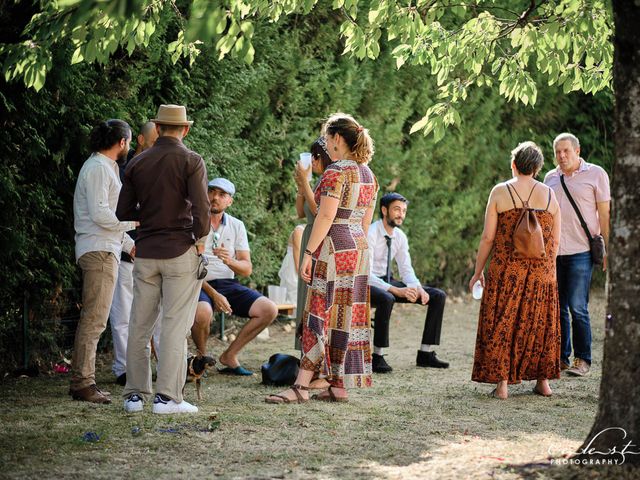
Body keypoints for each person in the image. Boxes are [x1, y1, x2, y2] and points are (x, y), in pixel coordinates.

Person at [266, 112, 378, 404]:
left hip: (333, 247)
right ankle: (338, 385)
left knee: (318, 312)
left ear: (338, 139)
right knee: (345, 316)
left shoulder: (336, 171)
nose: (326, 145)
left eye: (328, 139)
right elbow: (365, 222)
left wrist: (308, 252)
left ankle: (301, 386)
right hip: (359, 249)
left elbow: (325, 215)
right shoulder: (369, 174)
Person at [117, 104, 210, 414]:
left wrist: (150, 217)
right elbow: (202, 212)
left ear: (157, 129)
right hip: (180, 249)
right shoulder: (191, 160)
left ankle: (134, 396)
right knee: (173, 326)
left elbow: (123, 212)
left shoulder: (137, 162)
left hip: (145, 252)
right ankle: (167, 398)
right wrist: (197, 242)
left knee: (139, 325)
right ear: (185, 129)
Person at [469, 141, 561, 399]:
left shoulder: (500, 192)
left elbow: (488, 237)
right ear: (538, 168)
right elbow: (555, 240)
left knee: (503, 322)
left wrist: (478, 272)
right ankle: (543, 382)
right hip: (541, 270)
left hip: (506, 269)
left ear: (513, 164)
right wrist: (550, 271)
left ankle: (502, 385)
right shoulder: (551, 195)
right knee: (540, 323)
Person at [69, 119, 137, 404]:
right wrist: (135, 223)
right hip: (97, 252)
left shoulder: (106, 168)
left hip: (106, 247)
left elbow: (108, 219)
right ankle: (82, 383)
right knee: (95, 319)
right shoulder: (97, 168)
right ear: (121, 142)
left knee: (97, 319)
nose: (129, 146)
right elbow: (100, 215)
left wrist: (130, 244)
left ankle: (85, 381)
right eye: (129, 141)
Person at [192, 177, 278, 375]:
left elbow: (247, 268)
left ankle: (229, 356)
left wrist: (230, 261)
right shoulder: (194, 221)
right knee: (202, 313)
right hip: (198, 282)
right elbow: (187, 267)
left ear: (229, 201)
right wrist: (214, 295)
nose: (215, 197)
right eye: (211, 192)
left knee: (269, 309)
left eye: (222, 195)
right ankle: (201, 360)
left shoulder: (236, 225)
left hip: (227, 282)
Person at [544, 133, 610, 377]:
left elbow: (604, 214)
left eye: (566, 151)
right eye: (558, 152)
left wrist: (608, 250)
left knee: (578, 307)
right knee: (558, 307)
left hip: (581, 252)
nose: (562, 156)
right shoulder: (550, 178)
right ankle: (561, 358)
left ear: (577, 150)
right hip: (554, 254)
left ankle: (583, 359)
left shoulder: (596, 174)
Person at [368, 192, 449, 373]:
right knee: (387, 297)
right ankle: (377, 357)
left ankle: (425, 354)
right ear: (384, 210)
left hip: (387, 280)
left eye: (404, 211)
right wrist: (398, 291)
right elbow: (365, 273)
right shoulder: (371, 233)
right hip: (367, 283)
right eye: (397, 209)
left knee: (437, 296)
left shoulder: (400, 237)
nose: (401, 214)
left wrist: (418, 288)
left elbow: (406, 269)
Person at [109, 121, 158, 386]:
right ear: (140, 139)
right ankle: (122, 368)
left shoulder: (156, 167)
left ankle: (157, 366)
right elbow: (113, 212)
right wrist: (127, 243)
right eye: (154, 137)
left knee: (155, 315)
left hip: (153, 252)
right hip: (126, 249)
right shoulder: (120, 170)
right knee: (122, 313)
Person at [292, 137, 333, 348]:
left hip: (319, 240)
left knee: (314, 295)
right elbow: (301, 212)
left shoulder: (329, 180)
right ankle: (304, 350)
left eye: (315, 157)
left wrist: (306, 183)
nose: (313, 162)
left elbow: (319, 212)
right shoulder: (317, 181)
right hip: (309, 234)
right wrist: (301, 184)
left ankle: (315, 351)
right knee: (304, 294)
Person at [278, 225, 305, 307]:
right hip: (294, 272)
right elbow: (298, 265)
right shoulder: (299, 231)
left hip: (306, 271)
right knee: (295, 303)